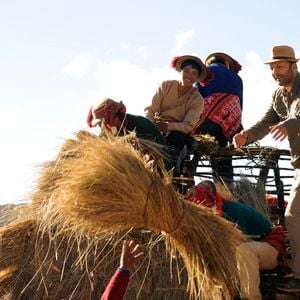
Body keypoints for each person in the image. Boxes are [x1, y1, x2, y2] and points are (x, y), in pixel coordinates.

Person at [233, 45, 300, 292]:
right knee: (294, 216)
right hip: (299, 166)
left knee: (294, 215)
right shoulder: (278, 96)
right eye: (272, 68)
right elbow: (267, 122)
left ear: (294, 66)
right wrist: (247, 135)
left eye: (280, 67)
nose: (276, 72)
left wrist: (290, 125)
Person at [185, 180, 286, 299]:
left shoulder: (231, 211)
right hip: (252, 250)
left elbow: (236, 244)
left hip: (271, 248)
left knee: (243, 250)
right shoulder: (211, 218)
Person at [144, 55, 206, 174]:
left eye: (194, 73)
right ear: (181, 71)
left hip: (179, 135)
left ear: (197, 78)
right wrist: (150, 125)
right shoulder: (165, 86)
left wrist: (167, 126)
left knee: (175, 139)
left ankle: (170, 171)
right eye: (186, 71)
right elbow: (150, 109)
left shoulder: (197, 99)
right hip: (156, 128)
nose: (189, 75)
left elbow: (188, 126)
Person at [194, 52, 243, 183]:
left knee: (189, 140)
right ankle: (226, 190)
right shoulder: (237, 78)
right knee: (223, 155)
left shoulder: (205, 72)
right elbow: (240, 104)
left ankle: (186, 176)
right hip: (230, 123)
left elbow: (195, 96)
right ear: (226, 65)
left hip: (208, 118)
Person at [87, 98, 172, 170]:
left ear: (113, 117)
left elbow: (157, 157)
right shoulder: (105, 135)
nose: (101, 127)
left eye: (101, 123)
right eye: (99, 125)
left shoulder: (141, 125)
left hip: (161, 168)